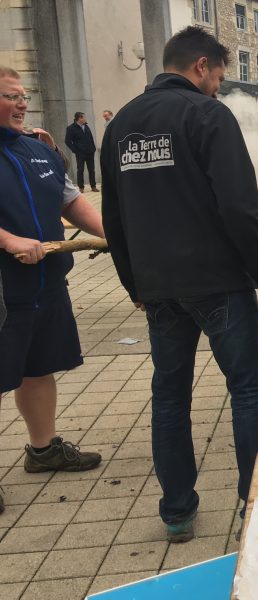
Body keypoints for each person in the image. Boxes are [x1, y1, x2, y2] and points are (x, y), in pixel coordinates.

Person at [100, 26, 258, 544]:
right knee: (248, 391)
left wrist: (133, 284)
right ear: (201, 66)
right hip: (219, 283)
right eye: (219, 76)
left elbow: (113, 218)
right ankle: (256, 508)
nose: (218, 87)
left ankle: (177, 511)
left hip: (159, 287)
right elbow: (238, 208)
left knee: (169, 396)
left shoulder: (121, 127)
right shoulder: (206, 115)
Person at [0, 66, 105, 518]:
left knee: (39, 369)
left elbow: (69, 201)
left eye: (24, 95)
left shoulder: (37, 149)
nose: (22, 103)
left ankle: (42, 451)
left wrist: (117, 235)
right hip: (4, 290)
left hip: (47, 283)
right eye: (10, 96)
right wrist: (6, 239)